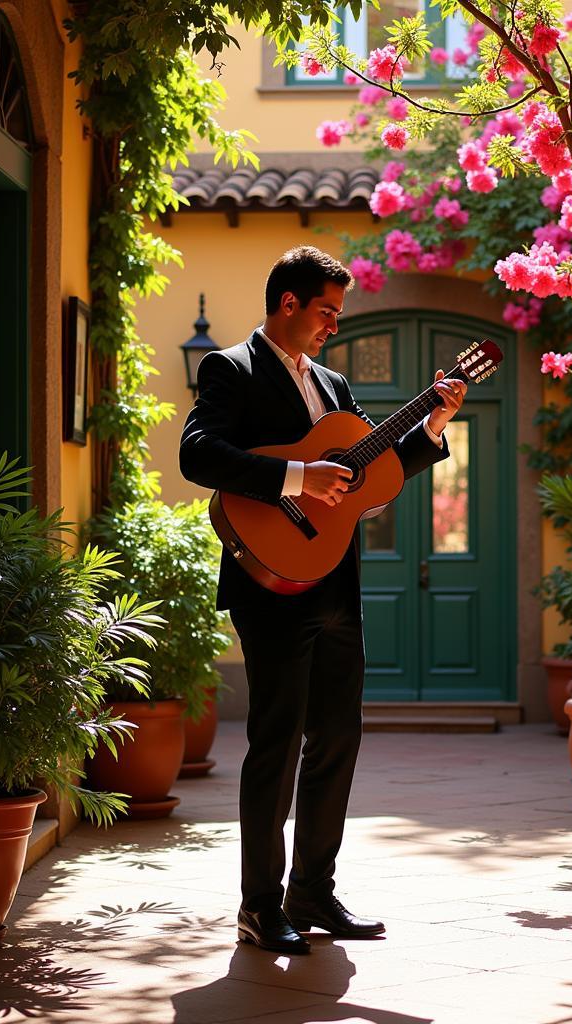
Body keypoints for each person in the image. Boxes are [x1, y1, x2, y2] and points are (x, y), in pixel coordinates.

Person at [179, 246, 467, 954]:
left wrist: (431, 423)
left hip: (337, 580)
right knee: (274, 745)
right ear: (288, 305)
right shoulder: (231, 369)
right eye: (327, 311)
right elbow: (197, 454)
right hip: (269, 581)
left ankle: (312, 891)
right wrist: (295, 477)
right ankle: (258, 905)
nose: (334, 324)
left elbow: (371, 469)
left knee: (338, 736)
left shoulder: (334, 385)